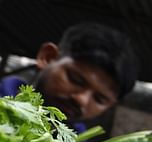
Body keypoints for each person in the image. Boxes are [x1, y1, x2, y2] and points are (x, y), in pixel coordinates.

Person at [1, 22, 138, 133]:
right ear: (48, 57)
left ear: (110, 106)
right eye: (75, 79)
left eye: (99, 99)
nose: (81, 100)